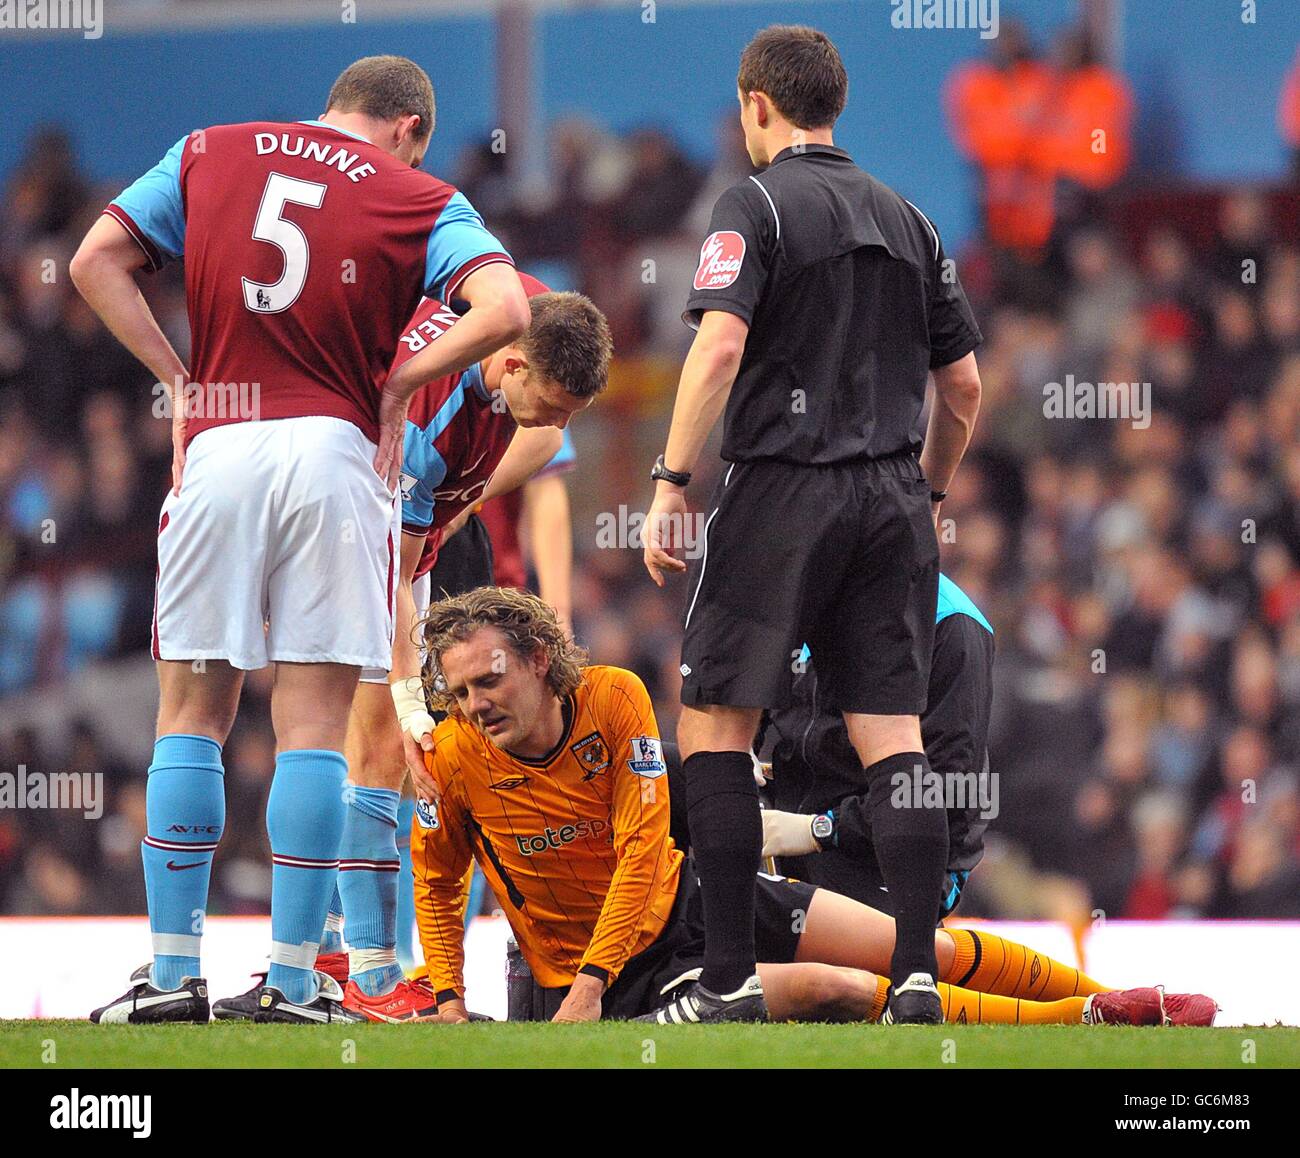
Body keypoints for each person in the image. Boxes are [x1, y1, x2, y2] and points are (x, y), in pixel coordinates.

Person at [74, 55, 531, 1025]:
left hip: (221, 444)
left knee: (189, 713)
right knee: (313, 727)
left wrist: (176, 380)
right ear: (408, 126)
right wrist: (401, 387)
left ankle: (168, 976)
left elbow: (91, 261)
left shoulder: (206, 153)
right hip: (335, 451)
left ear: (334, 107)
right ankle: (291, 983)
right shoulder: (415, 191)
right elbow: (507, 309)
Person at [407, 588, 1216, 1027]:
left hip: (690, 904)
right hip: (628, 980)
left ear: (540, 661)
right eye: (461, 690)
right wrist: (450, 997)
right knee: (845, 990)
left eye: (490, 680)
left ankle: (1115, 995)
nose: (474, 705)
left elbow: (643, 854)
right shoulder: (450, 755)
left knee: (918, 949)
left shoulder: (614, 700)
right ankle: (1086, 1025)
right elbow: (437, 884)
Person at [642, 25, 983, 1024]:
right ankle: (916, 977)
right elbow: (961, 387)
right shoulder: (909, 218)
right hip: (889, 495)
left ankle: (726, 981)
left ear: (756, 104)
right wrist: (925, 491)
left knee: (713, 721)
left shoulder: (750, 204)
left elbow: (716, 353)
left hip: (781, 490)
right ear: (835, 104)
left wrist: (670, 481)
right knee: (894, 737)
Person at [211, 277, 612, 1022]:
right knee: (379, 749)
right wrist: (405, 696)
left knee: (354, 749)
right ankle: (366, 970)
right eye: (551, 407)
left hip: (336, 499)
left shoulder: (518, 306)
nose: (556, 428)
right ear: (513, 365)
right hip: (342, 525)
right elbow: (399, 576)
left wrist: (468, 501)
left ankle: (319, 960)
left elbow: (528, 446)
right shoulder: (434, 420)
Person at [761, 573, 994, 918]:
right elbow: (748, 707)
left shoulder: (952, 624)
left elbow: (948, 789)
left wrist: (819, 829)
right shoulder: (805, 596)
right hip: (782, 828)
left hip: (887, 857)